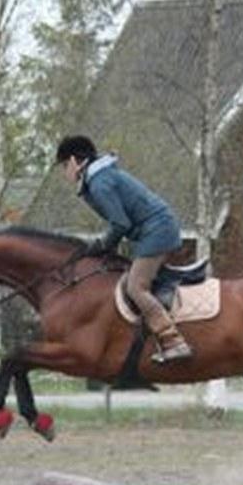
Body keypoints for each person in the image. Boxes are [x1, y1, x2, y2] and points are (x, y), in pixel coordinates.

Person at [55, 135, 193, 362]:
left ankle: (173, 341)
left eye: (63, 166)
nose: (64, 173)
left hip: (157, 231)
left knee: (136, 287)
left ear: (74, 161)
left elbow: (120, 224)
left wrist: (100, 245)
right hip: (152, 230)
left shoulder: (99, 184)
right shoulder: (100, 177)